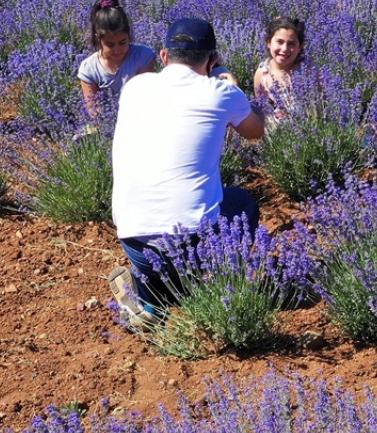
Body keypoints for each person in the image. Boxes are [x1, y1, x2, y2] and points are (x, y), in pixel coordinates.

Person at [107, 17, 265, 326]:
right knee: (242, 203)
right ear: (213, 60)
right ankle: (220, 293)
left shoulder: (135, 86)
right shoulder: (221, 92)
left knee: (164, 257)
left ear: (164, 56)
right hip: (191, 242)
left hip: (133, 241)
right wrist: (233, 88)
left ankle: (150, 299)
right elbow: (255, 130)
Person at [76, 0, 156, 117]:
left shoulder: (143, 57)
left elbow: (146, 96)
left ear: (128, 35)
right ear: (98, 39)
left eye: (122, 43)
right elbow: (93, 109)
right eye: (110, 45)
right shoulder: (89, 69)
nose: (117, 50)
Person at [252, 16, 306, 119]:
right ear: (269, 43)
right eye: (280, 42)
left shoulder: (308, 71)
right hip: (273, 127)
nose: (284, 49)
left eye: (291, 44)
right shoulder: (262, 72)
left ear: (300, 47)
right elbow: (260, 110)